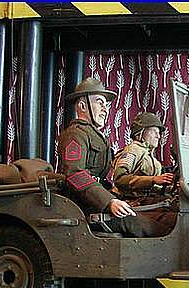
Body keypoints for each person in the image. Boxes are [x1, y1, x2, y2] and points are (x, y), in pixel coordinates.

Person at [56, 78, 169, 237]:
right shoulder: (75, 134)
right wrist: (109, 201)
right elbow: (75, 174)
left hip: (97, 201)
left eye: (105, 104)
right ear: (82, 106)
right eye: (99, 102)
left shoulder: (94, 135)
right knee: (151, 228)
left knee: (163, 217)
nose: (105, 109)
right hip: (83, 205)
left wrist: (114, 198)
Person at [112, 112, 175, 204]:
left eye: (159, 133)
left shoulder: (149, 155)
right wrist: (153, 179)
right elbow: (120, 179)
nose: (158, 136)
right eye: (154, 131)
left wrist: (168, 189)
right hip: (130, 201)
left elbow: (147, 187)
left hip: (144, 199)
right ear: (141, 132)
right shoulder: (133, 150)